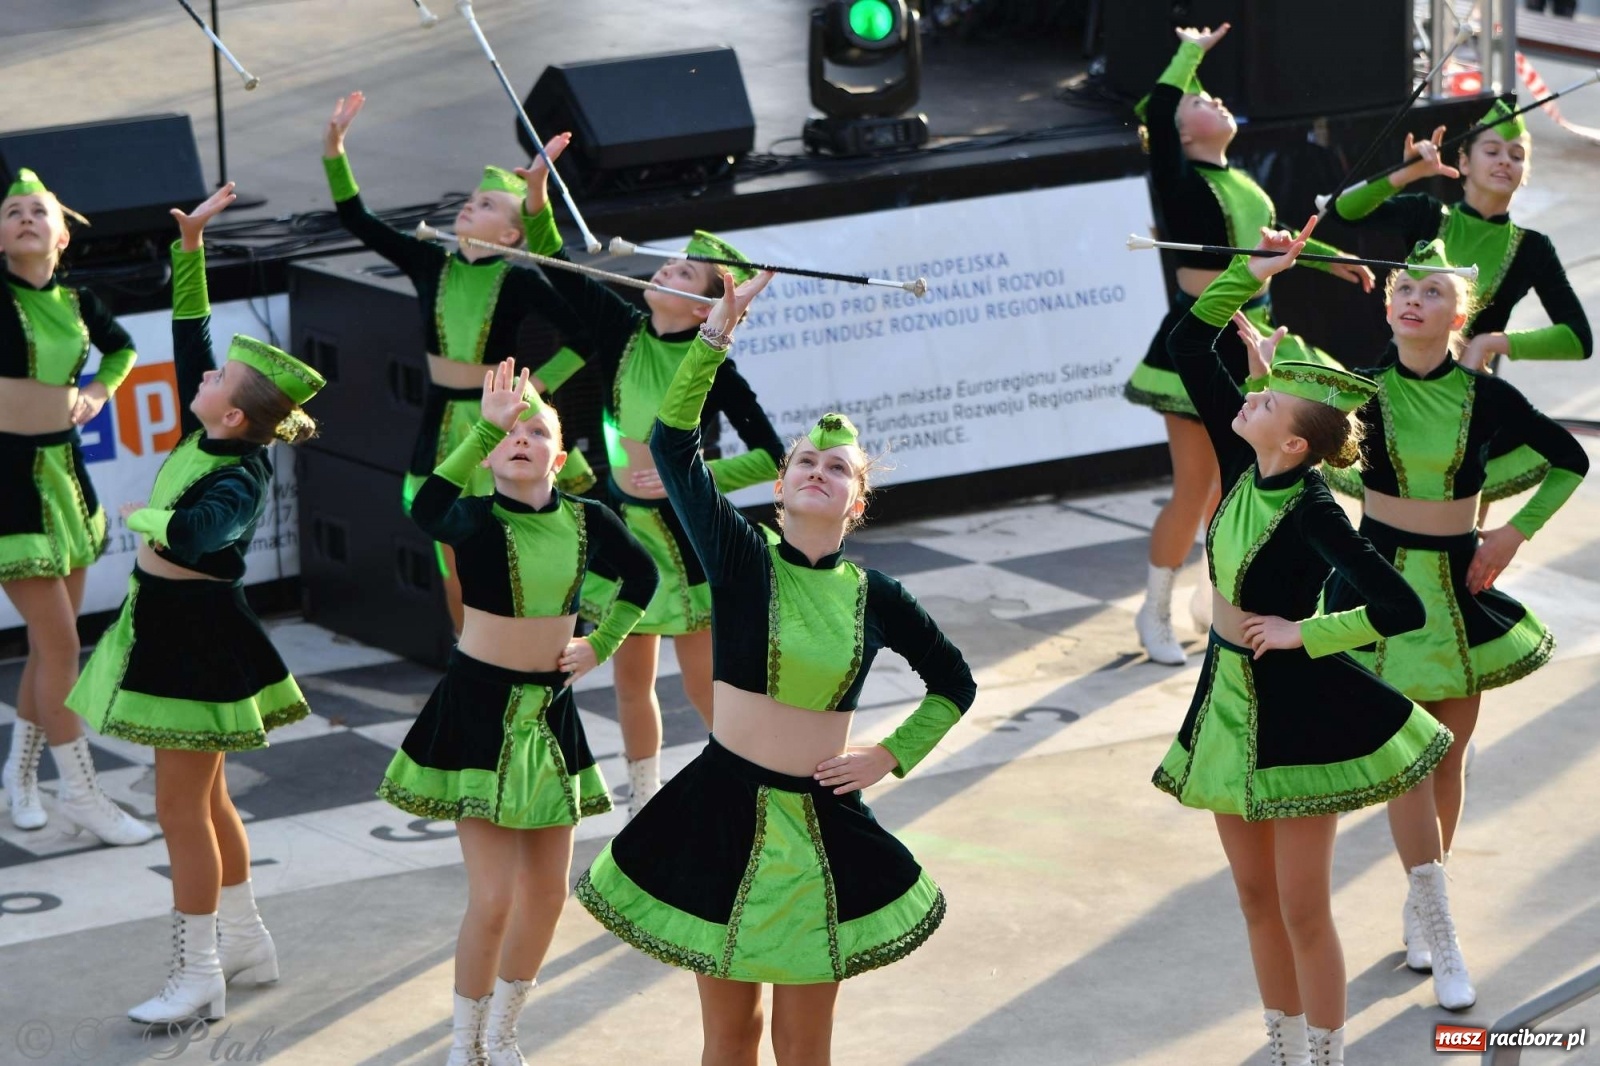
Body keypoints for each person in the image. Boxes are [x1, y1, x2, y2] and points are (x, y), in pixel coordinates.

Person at [577, 269, 976, 1065]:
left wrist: (887, 755)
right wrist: (714, 338)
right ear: (780, 487)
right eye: (803, 463)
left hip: (824, 824)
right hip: (719, 813)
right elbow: (671, 444)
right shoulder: (741, 559)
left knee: (804, 1043)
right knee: (732, 1035)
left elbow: (955, 685)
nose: (817, 472)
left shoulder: (880, 596)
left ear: (856, 503)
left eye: (836, 468)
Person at [1152, 220, 1450, 1066]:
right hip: (1226, 702)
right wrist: (1248, 275)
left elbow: (1398, 607)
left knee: (1302, 907)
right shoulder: (1245, 461)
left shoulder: (1316, 507)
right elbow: (1186, 340)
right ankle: (1281, 1044)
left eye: (1271, 396)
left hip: (1300, 716)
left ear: (1293, 441)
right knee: (1252, 899)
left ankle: (1324, 1055)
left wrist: (1307, 631)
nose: (1251, 394)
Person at [67, 184, 325, 1023]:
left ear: (237, 411)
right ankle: (244, 938)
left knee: (178, 807)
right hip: (168, 623)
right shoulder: (207, 430)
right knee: (207, 802)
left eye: (218, 377)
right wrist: (190, 251)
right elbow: (193, 337)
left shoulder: (239, 472)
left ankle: (200, 971)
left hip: (198, 640)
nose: (203, 374)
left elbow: (202, 537)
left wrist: (151, 517)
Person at [1322, 238, 1590, 1011]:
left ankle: (1416, 900)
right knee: (1409, 761)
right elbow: (1295, 450)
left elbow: (1569, 456)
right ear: (1387, 305)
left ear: (1459, 314)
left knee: (1447, 761)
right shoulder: (1361, 388)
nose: (1413, 299)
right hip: (1381, 589)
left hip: (1460, 586)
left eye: (1433, 291)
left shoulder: (1483, 394)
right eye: (1404, 287)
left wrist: (1512, 533)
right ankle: (1443, 933)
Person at [377, 358, 657, 1066]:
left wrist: (602, 643)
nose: (522, 437)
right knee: (494, 899)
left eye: (538, 430)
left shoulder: (588, 521)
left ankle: (503, 1033)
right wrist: (483, 426)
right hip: (477, 714)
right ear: (491, 455)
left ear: (560, 459)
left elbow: (644, 577)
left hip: (552, 718)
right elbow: (424, 509)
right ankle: (462, 1042)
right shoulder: (471, 518)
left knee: (550, 894)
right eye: (511, 433)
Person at [514, 136, 786, 817]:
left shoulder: (715, 367)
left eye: (688, 274)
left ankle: (747, 792)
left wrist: (689, 478)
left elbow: (774, 458)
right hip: (626, 537)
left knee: (703, 686)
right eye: (672, 263)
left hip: (685, 543)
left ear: (704, 310)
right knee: (630, 684)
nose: (668, 268)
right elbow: (562, 273)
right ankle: (645, 804)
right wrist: (540, 201)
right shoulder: (622, 329)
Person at [1122, 23, 1376, 667]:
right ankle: (1152, 610)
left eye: (1216, 98)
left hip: (1249, 337)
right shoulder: (1178, 178)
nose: (1216, 102)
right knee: (1195, 486)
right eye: (1200, 101)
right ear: (1180, 132)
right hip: (1200, 339)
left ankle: (1216, 597)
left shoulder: (1242, 183)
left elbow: (1271, 242)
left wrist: (1328, 259)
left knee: (1233, 488)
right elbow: (1154, 106)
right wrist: (1190, 52)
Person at [320, 92, 591, 634]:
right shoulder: (429, 261)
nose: (470, 206)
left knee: (518, 537)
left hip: (499, 418)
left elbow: (586, 335)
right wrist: (335, 150)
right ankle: (466, 650)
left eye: (487, 205)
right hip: (443, 422)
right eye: (471, 199)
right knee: (451, 547)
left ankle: (540, 633)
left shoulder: (518, 278)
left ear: (512, 235)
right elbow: (359, 219)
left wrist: (539, 383)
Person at [1332, 101, 1591, 508]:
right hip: (1398, 391)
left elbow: (1578, 339)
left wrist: (1491, 343)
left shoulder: (1532, 249)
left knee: (1459, 546)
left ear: (1525, 174)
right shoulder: (1427, 214)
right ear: (1464, 162)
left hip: (1470, 407)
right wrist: (1408, 173)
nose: (1505, 161)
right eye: (1492, 151)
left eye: (1517, 155)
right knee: (1386, 532)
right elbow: (1343, 211)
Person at [0, 167, 154, 845]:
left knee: (49, 650)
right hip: (6, 485)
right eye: (12, 213)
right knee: (62, 644)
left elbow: (121, 349)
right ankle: (85, 796)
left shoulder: (79, 299)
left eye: (39, 211)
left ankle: (21, 776)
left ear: (62, 233)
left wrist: (99, 392)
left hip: (65, 476)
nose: (26, 219)